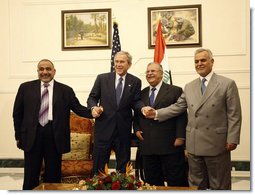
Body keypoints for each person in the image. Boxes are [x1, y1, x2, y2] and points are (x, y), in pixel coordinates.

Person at [142, 48, 242, 190]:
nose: (199, 64)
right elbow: (177, 107)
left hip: (217, 144)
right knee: (195, 185)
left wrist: (232, 138)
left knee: (219, 184)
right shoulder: (189, 86)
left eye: (203, 60)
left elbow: (234, 114)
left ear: (212, 62)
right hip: (194, 144)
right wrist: (156, 114)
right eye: (196, 61)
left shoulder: (227, 84)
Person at [13, 59, 95, 190]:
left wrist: (93, 112)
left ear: (54, 71)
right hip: (32, 135)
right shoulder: (25, 88)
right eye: (41, 69)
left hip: (55, 136)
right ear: (38, 71)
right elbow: (17, 113)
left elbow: (78, 108)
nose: (45, 72)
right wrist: (18, 135)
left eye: (48, 69)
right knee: (30, 175)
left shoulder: (66, 90)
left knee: (53, 174)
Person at [87, 51, 143, 175]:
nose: (118, 64)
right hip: (103, 129)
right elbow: (92, 98)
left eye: (122, 62)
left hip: (123, 131)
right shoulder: (102, 78)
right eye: (116, 61)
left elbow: (136, 102)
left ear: (129, 64)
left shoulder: (135, 81)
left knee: (123, 169)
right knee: (99, 168)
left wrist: (143, 108)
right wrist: (93, 108)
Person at [133, 62, 188, 186]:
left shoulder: (175, 90)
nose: (149, 73)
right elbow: (137, 113)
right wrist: (136, 129)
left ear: (162, 74)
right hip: (148, 145)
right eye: (147, 71)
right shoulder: (141, 93)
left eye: (153, 71)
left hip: (170, 144)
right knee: (152, 182)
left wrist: (180, 136)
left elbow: (182, 114)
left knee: (176, 181)